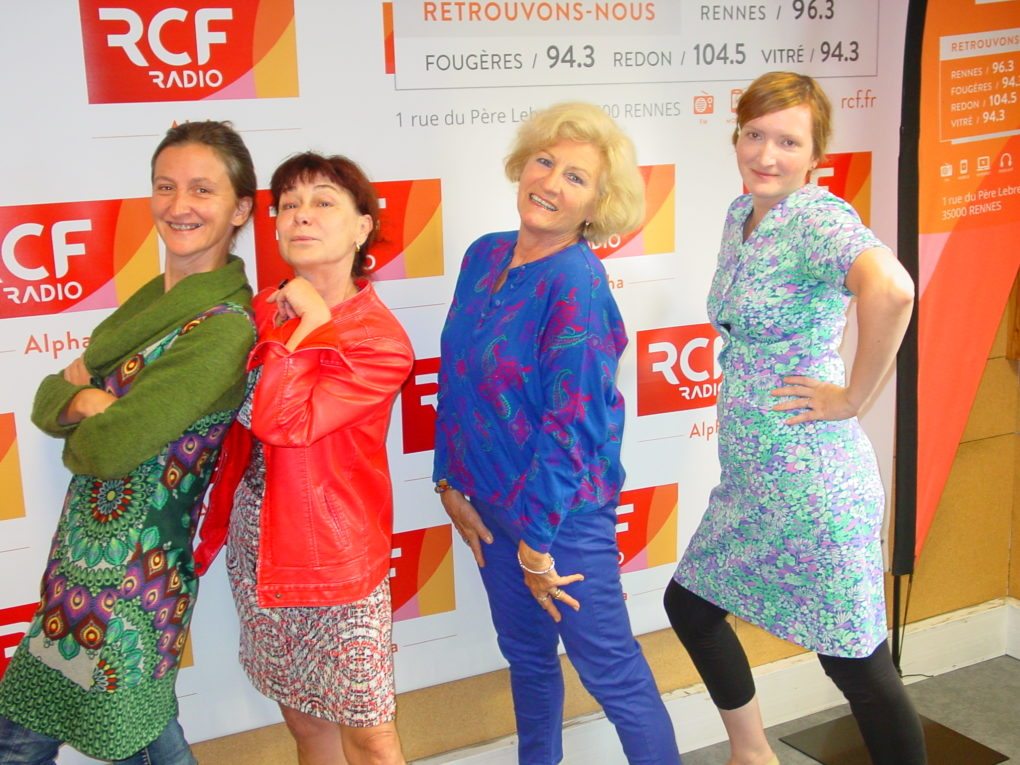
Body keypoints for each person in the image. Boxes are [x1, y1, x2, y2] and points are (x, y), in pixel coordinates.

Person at [663, 71, 924, 765]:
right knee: (691, 606)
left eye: (787, 141)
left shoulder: (816, 219)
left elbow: (893, 288)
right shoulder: (740, 214)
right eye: (754, 135)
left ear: (816, 156)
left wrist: (852, 397)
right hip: (755, 482)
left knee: (858, 667)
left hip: (812, 484)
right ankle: (753, 753)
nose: (765, 154)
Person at [432, 102, 682, 765]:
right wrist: (447, 479)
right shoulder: (484, 255)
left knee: (612, 672)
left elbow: (573, 428)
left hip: (561, 521)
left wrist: (537, 546)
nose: (550, 182)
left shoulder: (578, 284)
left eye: (576, 177)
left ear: (597, 205)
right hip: (488, 507)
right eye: (544, 161)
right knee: (527, 658)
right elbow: (455, 375)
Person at [0, 121, 257, 763]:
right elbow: (49, 398)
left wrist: (86, 415)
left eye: (202, 189)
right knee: (26, 730)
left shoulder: (222, 328)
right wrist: (86, 404)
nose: (179, 205)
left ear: (240, 210)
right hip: (80, 568)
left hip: (131, 584)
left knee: (104, 740)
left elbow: (110, 449)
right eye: (165, 186)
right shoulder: (145, 311)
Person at [194, 152, 413, 765]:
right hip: (258, 545)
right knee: (305, 721)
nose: (301, 215)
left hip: (333, 558)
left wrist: (313, 322)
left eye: (322, 202)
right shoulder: (264, 307)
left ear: (362, 227)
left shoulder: (379, 341)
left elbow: (283, 423)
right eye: (288, 204)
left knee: (372, 738)